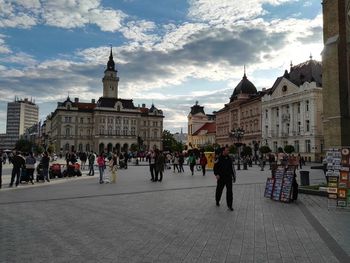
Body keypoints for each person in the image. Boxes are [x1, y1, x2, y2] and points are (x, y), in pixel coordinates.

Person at [214, 147, 236, 211]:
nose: (228, 151)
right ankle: (217, 200)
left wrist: (233, 177)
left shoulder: (229, 158)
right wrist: (216, 174)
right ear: (223, 151)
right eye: (227, 150)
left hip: (228, 177)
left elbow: (232, 168)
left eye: (228, 150)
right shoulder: (218, 158)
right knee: (219, 190)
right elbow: (215, 167)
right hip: (221, 178)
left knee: (229, 191)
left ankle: (230, 205)